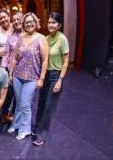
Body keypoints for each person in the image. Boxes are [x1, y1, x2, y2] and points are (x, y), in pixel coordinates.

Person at [8, 12, 48, 140]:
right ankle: (16, 123)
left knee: (25, 105)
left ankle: (25, 130)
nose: (29, 24)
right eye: (26, 22)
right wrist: (10, 73)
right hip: (17, 75)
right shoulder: (20, 37)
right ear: (24, 24)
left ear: (35, 23)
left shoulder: (41, 38)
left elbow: (45, 59)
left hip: (32, 77)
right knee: (19, 103)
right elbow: (14, 58)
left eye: (31, 21)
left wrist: (41, 78)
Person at [33, 12, 69, 146]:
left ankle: (42, 134)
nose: (50, 25)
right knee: (41, 103)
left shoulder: (62, 39)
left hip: (55, 75)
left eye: (53, 22)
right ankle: (36, 128)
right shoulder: (46, 39)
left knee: (49, 106)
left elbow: (65, 62)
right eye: (49, 22)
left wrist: (60, 80)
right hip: (45, 74)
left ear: (59, 25)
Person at [0, 12, 24, 124]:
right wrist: (4, 69)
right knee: (8, 94)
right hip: (11, 70)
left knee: (19, 96)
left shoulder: (29, 36)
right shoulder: (10, 37)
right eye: (14, 20)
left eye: (18, 19)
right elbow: (6, 54)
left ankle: (14, 114)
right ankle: (4, 113)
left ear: (23, 19)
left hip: (24, 72)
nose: (16, 21)